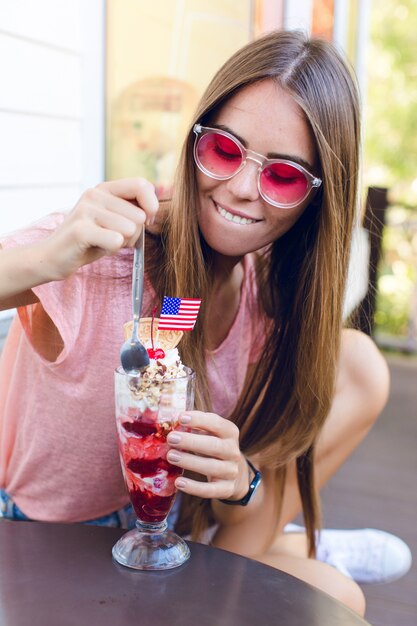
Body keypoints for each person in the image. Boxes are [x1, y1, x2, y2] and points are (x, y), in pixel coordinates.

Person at [0, 31, 411, 616]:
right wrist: (47, 257)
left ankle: (292, 538)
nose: (242, 189)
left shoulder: (265, 296)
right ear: (196, 140)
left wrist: (241, 480)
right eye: (224, 150)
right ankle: (304, 545)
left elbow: (179, 338)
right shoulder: (107, 252)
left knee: (334, 595)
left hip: (168, 531)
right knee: (331, 591)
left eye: (285, 176)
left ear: (317, 198)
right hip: (41, 541)